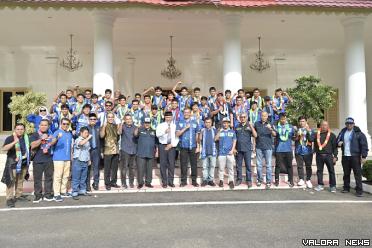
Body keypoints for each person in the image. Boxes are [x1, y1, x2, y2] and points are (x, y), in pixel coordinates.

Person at [337, 117, 369, 197]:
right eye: (347, 123)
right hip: (345, 156)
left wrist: (364, 156)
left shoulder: (359, 133)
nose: (349, 125)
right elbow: (337, 140)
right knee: (346, 173)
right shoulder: (343, 132)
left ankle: (359, 191)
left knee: (357, 174)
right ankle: (346, 188)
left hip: (355, 156)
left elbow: (364, 145)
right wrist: (339, 142)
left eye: (350, 123)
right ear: (345, 124)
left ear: (353, 124)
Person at [1, 123, 31, 208]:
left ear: (24, 130)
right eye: (18, 129)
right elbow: (4, 148)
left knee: (20, 180)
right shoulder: (10, 138)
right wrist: (14, 142)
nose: (20, 131)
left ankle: (19, 195)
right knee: (11, 181)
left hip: (24, 162)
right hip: (13, 163)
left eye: (21, 129)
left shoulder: (26, 137)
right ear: (15, 130)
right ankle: (9, 198)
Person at [30, 119, 58, 203]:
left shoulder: (50, 134)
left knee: (49, 178)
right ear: (39, 126)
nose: (43, 126)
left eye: (45, 125)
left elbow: (53, 142)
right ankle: (38, 195)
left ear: (48, 126)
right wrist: (42, 139)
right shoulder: (35, 134)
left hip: (49, 159)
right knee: (37, 179)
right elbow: (32, 145)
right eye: (42, 125)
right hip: (38, 160)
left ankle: (48, 195)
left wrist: (54, 139)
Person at [176, 108, 201, 187]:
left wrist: (198, 146)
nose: (186, 114)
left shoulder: (195, 123)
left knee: (194, 164)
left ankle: (194, 181)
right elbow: (177, 134)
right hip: (183, 146)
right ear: (183, 113)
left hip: (193, 146)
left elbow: (197, 135)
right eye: (185, 112)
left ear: (191, 113)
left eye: (188, 112)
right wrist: (186, 128)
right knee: (183, 164)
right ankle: (183, 181)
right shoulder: (179, 122)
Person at [311, 120, 338, 193]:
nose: (324, 126)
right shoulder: (317, 134)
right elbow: (311, 139)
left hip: (329, 155)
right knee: (319, 171)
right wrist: (309, 132)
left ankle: (333, 186)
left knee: (331, 171)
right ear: (320, 126)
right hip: (319, 155)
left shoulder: (332, 135)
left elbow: (335, 147)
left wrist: (335, 156)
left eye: (325, 125)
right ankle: (320, 184)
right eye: (322, 125)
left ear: (328, 126)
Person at [52, 118, 73, 202]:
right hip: (58, 158)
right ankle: (56, 194)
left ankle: (63, 191)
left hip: (67, 158)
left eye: (67, 124)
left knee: (66, 176)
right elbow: (52, 143)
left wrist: (71, 156)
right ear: (61, 124)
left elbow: (70, 146)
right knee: (58, 176)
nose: (65, 125)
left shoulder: (69, 134)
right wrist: (57, 137)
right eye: (64, 124)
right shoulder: (57, 132)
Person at [156, 111, 179, 188]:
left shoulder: (175, 125)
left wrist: (172, 145)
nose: (168, 118)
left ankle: (170, 181)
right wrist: (164, 132)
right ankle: (164, 182)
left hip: (171, 146)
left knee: (171, 164)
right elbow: (157, 134)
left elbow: (177, 137)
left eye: (169, 117)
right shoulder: (160, 125)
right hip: (162, 145)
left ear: (172, 117)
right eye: (167, 117)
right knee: (163, 164)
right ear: (164, 118)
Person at [254, 111, 276, 189]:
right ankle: (259, 180)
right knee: (259, 165)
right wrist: (254, 146)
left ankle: (268, 181)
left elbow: (275, 134)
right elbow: (254, 136)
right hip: (259, 147)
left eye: (265, 116)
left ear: (267, 117)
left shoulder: (271, 124)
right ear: (260, 116)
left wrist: (270, 128)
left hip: (268, 147)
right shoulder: (256, 124)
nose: (263, 117)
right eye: (262, 116)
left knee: (268, 165)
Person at [235, 113, 257, 187]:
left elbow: (255, 135)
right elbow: (234, 138)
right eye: (241, 117)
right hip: (239, 149)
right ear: (240, 118)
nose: (243, 118)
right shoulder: (237, 126)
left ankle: (248, 180)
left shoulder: (249, 126)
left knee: (248, 166)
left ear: (246, 117)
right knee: (238, 166)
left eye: (244, 117)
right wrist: (234, 148)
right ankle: (239, 179)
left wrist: (251, 126)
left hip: (247, 149)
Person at [135, 117, 158, 189]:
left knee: (149, 169)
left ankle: (148, 182)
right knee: (140, 169)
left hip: (150, 153)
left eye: (148, 123)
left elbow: (156, 142)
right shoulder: (140, 130)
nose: (147, 124)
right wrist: (137, 128)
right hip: (141, 153)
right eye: (146, 123)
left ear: (150, 123)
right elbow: (135, 135)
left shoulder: (154, 131)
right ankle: (140, 183)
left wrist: (157, 151)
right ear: (143, 123)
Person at [100, 112, 120, 190]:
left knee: (115, 168)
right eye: (109, 117)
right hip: (107, 150)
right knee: (107, 168)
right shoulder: (103, 126)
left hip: (115, 150)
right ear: (107, 118)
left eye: (112, 117)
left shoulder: (116, 126)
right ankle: (107, 183)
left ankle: (113, 182)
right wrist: (104, 127)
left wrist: (120, 126)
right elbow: (101, 136)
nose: (110, 118)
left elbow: (118, 135)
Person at [274, 113, 295, 187]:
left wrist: (298, 135)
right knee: (278, 166)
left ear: (286, 119)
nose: (283, 120)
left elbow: (294, 137)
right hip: (279, 149)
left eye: (284, 118)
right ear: (279, 119)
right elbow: (274, 135)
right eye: (282, 119)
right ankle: (276, 180)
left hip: (288, 149)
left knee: (289, 166)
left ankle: (291, 180)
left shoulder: (290, 127)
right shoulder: (276, 127)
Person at [215, 118, 237, 189]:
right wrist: (219, 132)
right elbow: (215, 139)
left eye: (227, 123)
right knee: (221, 168)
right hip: (221, 153)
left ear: (229, 124)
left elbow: (234, 141)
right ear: (222, 123)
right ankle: (221, 180)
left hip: (230, 153)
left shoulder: (232, 131)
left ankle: (231, 181)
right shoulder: (220, 131)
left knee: (230, 168)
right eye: (224, 123)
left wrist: (232, 149)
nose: (225, 124)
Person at [71, 126, 92, 200]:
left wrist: (89, 160)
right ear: (81, 133)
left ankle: (82, 190)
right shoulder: (78, 139)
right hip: (78, 161)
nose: (87, 134)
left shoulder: (87, 141)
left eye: (87, 133)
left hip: (85, 161)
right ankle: (75, 192)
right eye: (85, 133)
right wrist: (88, 138)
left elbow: (88, 150)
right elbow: (80, 144)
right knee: (76, 177)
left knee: (83, 177)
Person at [118, 114, 137, 188]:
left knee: (132, 168)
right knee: (124, 168)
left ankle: (131, 183)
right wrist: (121, 124)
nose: (129, 120)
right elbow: (119, 133)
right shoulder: (123, 127)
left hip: (133, 150)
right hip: (125, 150)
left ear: (132, 120)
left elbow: (137, 135)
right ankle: (124, 183)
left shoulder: (135, 127)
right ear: (125, 120)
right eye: (127, 119)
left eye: (130, 119)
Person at [294, 116, 314, 188]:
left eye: (303, 121)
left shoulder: (310, 130)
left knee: (308, 166)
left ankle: (308, 180)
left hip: (308, 151)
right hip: (298, 150)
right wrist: (297, 135)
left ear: (306, 122)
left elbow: (311, 139)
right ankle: (301, 179)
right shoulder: (297, 130)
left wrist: (308, 131)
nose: (302, 123)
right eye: (300, 121)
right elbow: (294, 139)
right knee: (300, 166)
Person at [199, 117, 217, 187]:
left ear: (211, 123)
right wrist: (201, 132)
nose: (208, 124)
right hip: (204, 151)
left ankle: (211, 180)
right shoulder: (203, 130)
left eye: (209, 122)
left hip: (213, 151)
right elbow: (199, 140)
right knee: (204, 167)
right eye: (206, 122)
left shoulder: (214, 130)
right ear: (204, 123)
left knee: (212, 166)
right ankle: (205, 180)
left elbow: (217, 139)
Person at [87, 113, 101, 191]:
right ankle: (87, 185)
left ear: (96, 120)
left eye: (94, 119)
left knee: (96, 168)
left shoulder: (98, 128)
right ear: (88, 120)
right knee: (88, 168)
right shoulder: (85, 128)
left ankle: (96, 183)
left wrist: (101, 151)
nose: (92, 120)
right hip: (88, 151)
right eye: (91, 119)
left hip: (96, 150)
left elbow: (102, 140)